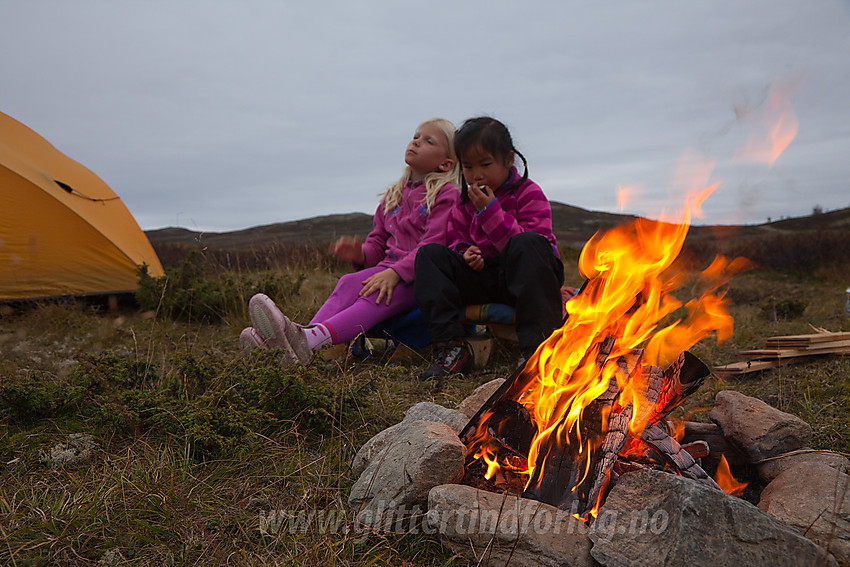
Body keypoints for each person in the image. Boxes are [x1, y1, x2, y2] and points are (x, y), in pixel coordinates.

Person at [240, 118, 460, 365]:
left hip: (420, 279)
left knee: (377, 293)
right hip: (385, 272)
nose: (416, 142)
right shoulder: (393, 196)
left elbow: (433, 244)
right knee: (347, 282)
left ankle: (308, 343)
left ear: (446, 163)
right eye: (416, 136)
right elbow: (377, 245)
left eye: (428, 141)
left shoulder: (446, 194)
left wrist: (396, 273)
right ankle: (299, 341)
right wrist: (360, 254)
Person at [414, 116, 564, 380]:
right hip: (484, 277)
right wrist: (465, 252)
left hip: (528, 278)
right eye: (468, 166)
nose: (477, 174)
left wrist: (490, 211)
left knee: (527, 244)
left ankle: (537, 350)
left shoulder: (529, 193)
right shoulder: (463, 203)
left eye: (485, 164)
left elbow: (537, 247)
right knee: (430, 255)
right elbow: (455, 239)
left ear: (508, 160)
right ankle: (452, 348)